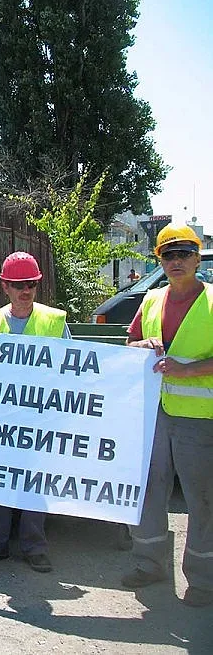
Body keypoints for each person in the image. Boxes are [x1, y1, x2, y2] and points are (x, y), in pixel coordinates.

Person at [0, 251, 69, 573]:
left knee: (35, 481)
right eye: (19, 284)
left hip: (38, 418)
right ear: (5, 286)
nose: (26, 290)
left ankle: (34, 546)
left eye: (31, 284)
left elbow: (72, 368)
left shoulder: (53, 321)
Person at [121, 224, 213, 608]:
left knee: (202, 500)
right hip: (152, 415)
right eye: (168, 255)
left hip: (198, 418)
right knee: (147, 491)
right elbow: (131, 343)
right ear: (160, 260)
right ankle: (149, 563)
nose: (176, 262)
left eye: (184, 254)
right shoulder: (152, 299)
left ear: (197, 257)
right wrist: (141, 344)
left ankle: (204, 580)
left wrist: (187, 370)